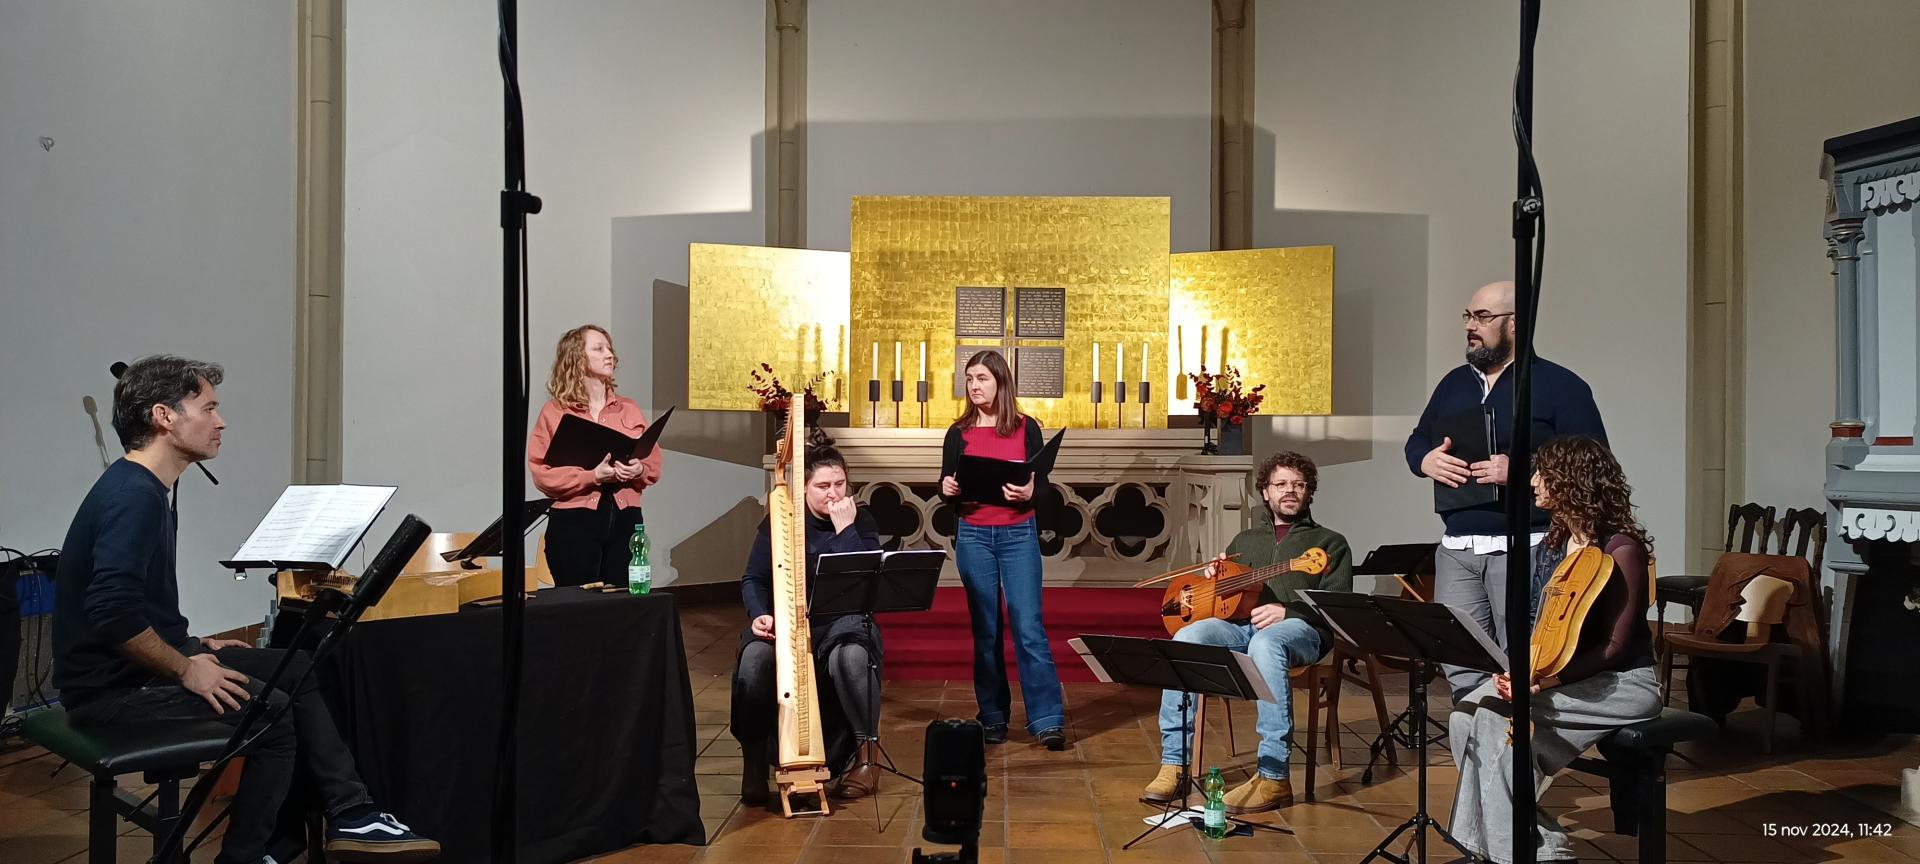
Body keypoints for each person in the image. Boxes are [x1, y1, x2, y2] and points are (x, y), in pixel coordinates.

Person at [52, 356, 438, 864]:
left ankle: (351, 813)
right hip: (109, 693)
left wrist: (196, 646)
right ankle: (245, 855)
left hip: (138, 670)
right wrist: (187, 667)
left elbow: (140, 605)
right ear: (164, 417)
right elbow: (113, 613)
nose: (221, 421)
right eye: (208, 408)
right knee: (273, 717)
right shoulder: (134, 497)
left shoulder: (145, 489)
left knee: (297, 666)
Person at [1447, 435, 1660, 864]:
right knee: (1463, 716)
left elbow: (1616, 648)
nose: (1535, 481)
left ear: (1572, 480)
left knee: (1493, 722)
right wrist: (1514, 671)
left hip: (1620, 684)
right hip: (1557, 677)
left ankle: (1501, 856)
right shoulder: (1550, 546)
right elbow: (1535, 626)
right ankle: (1544, 849)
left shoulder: (1622, 550)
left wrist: (1546, 682)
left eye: (1544, 473)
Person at [1405, 280, 1608, 699]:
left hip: (1527, 545)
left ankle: (1518, 758)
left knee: (1521, 664)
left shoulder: (1559, 385)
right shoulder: (1453, 384)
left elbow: (1592, 463)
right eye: (1468, 316)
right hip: (1458, 548)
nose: (1470, 326)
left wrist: (1522, 470)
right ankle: (1478, 759)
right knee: (1461, 663)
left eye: (1482, 317)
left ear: (1515, 323)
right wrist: (1425, 460)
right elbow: (1417, 441)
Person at [1138, 451, 1353, 814]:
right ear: (1265, 493)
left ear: (1309, 492)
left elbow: (1338, 605)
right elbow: (1232, 598)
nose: (1290, 491)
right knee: (1187, 638)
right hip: (1242, 627)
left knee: (1268, 644)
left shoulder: (1330, 542)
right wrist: (1214, 583)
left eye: (1298, 485)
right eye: (1281, 484)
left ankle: (1273, 775)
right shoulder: (1247, 539)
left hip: (1301, 630)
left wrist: (1289, 611)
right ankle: (1175, 763)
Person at [732, 432, 887, 804]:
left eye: (839, 484)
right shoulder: (781, 520)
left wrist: (845, 530)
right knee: (754, 662)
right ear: (803, 489)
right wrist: (760, 614)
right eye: (822, 486)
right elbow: (753, 577)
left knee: (851, 656)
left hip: (842, 625)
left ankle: (867, 757)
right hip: (785, 625)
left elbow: (865, 578)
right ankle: (754, 761)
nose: (833, 493)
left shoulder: (858, 521)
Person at [938, 350, 1067, 749]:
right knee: (987, 630)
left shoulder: (1027, 428)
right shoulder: (957, 432)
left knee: (1029, 628)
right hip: (974, 535)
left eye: (983, 379)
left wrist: (1030, 490)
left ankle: (1047, 718)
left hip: (1017, 536)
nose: (975, 386)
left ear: (1001, 383)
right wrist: (946, 488)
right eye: (970, 379)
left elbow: (1041, 485)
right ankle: (992, 715)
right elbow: (945, 483)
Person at [527, 324, 664, 587]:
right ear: (577, 357)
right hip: (575, 523)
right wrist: (593, 476)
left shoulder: (628, 408)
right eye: (599, 349)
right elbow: (542, 474)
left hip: (626, 520)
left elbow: (653, 462)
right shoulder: (556, 412)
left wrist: (638, 469)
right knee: (578, 607)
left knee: (623, 603)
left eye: (609, 348)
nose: (609, 354)